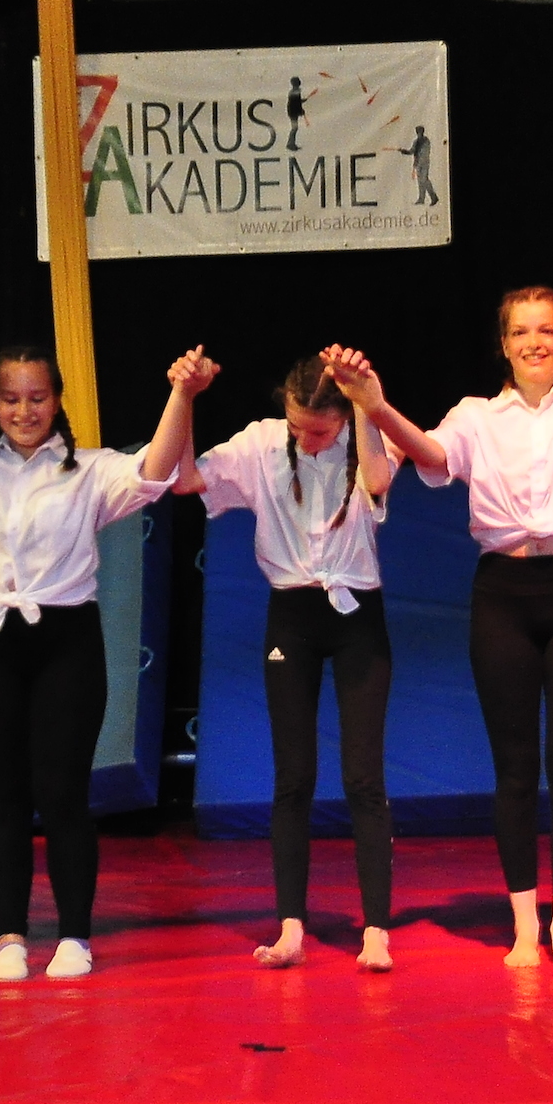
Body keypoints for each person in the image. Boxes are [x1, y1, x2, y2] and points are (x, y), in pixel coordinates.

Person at [327, 170, 553, 973]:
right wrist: (375, 404)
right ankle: (525, 926)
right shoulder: (475, 416)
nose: (534, 341)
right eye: (520, 331)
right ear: (503, 343)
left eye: (547, 330)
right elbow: (426, 454)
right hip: (502, 595)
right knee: (513, 768)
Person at [0, 322, 213, 980]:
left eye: (37, 398)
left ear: (57, 400)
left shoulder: (88, 470)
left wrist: (182, 394)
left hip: (67, 644)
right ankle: (9, 935)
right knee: (3, 794)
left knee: (63, 794)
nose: (24, 411)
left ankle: (74, 937)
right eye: (10, 398)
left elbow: (155, 472)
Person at [180, 354, 399, 971]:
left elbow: (378, 479)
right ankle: (291, 928)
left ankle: (376, 930)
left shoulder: (365, 435)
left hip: (357, 615)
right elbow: (185, 480)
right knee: (293, 777)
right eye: (297, 425)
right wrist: (186, 397)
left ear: (343, 417)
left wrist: (366, 401)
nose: (306, 439)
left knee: (363, 778)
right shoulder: (260, 443)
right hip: (292, 617)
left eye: (320, 431)